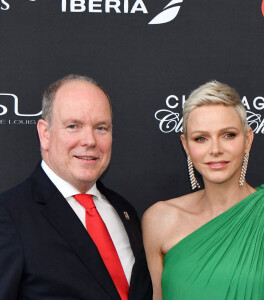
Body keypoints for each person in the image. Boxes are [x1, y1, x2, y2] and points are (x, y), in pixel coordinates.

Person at [142, 81, 264, 299]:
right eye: (201, 138)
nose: (215, 149)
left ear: (248, 140)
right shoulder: (159, 220)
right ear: (186, 145)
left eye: (228, 135)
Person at [0, 74, 152, 300]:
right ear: (45, 133)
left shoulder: (124, 210)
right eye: (73, 126)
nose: (89, 141)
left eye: (101, 128)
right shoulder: (8, 215)